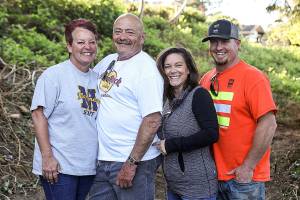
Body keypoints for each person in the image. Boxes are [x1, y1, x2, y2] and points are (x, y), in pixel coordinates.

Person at [200, 19, 277, 200]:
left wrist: (248, 167)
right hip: (213, 176)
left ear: (237, 44)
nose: (218, 47)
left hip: (243, 179)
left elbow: (268, 125)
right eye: (214, 41)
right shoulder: (206, 79)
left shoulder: (253, 78)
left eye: (225, 41)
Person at [89, 13, 163, 200]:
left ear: (141, 37)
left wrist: (131, 163)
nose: (122, 37)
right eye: (118, 31)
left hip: (132, 161)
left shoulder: (146, 70)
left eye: (130, 32)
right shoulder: (108, 61)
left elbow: (153, 120)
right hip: (102, 159)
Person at [31, 19, 100, 200]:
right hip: (59, 167)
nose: (88, 47)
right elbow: (38, 115)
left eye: (92, 42)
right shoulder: (54, 76)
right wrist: (47, 158)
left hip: (89, 167)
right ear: (69, 46)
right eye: (81, 42)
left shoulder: (99, 79)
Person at [154, 47, 219, 200]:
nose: (172, 70)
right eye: (167, 66)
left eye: (178, 65)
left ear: (188, 69)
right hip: (174, 186)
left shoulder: (199, 95)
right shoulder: (167, 100)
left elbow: (211, 134)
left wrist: (171, 145)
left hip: (198, 188)